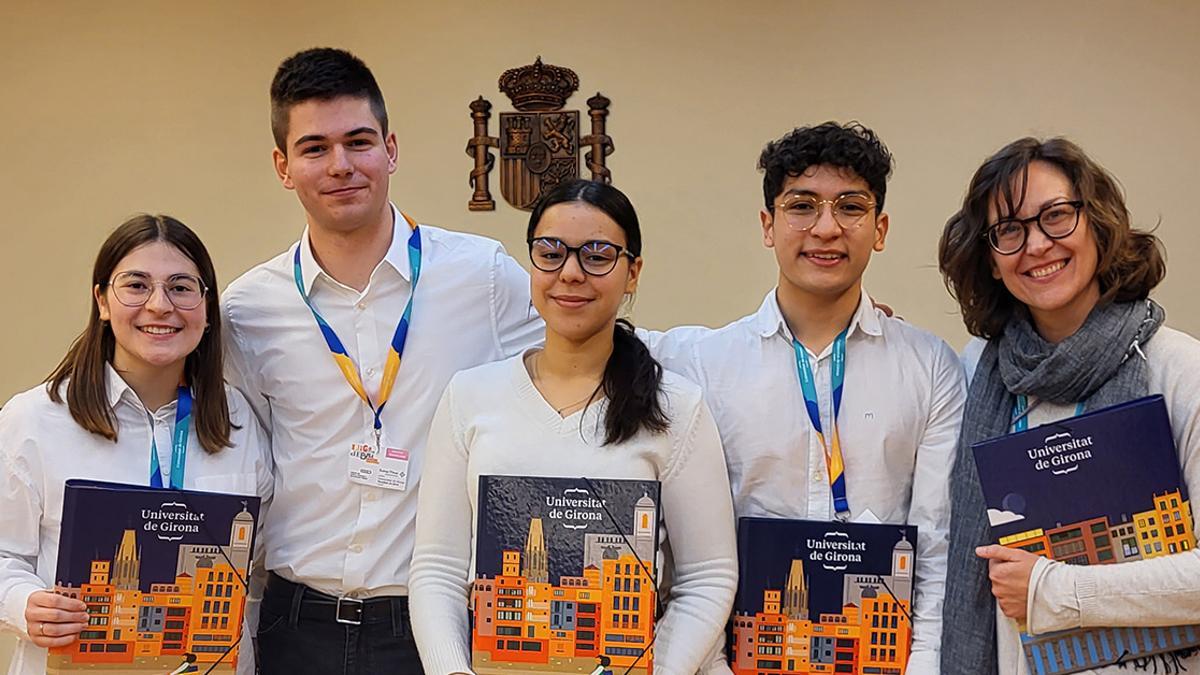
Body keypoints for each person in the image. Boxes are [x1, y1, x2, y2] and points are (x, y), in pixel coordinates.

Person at [221, 47, 542, 673]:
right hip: (295, 625)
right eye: (314, 148)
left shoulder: (482, 278)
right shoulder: (248, 308)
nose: (340, 165)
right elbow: (237, 451)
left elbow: (575, 368)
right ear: (283, 167)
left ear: (391, 149)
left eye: (358, 141)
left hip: (434, 628)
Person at [649, 122, 964, 673]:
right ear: (768, 225)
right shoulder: (700, 364)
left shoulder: (930, 365)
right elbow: (681, 554)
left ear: (880, 227)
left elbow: (936, 542)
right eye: (802, 206)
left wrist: (923, 666)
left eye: (850, 207)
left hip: (883, 657)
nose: (826, 228)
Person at [409, 179, 738, 674]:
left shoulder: (675, 407)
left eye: (598, 254)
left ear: (632, 273)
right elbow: (438, 567)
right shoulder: (470, 395)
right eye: (551, 251)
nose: (571, 272)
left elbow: (707, 577)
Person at [939, 137, 1200, 675]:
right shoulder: (975, 373)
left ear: (1098, 225)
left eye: (1056, 216)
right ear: (989, 260)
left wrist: (1054, 590)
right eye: (1009, 230)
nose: (1036, 245)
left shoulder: (1179, 370)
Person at [0, 215, 271, 675]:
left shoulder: (240, 420)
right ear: (102, 300)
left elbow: (261, 566)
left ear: (206, 310)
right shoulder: (35, 420)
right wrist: (26, 604)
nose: (160, 305)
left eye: (182, 287)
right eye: (136, 285)